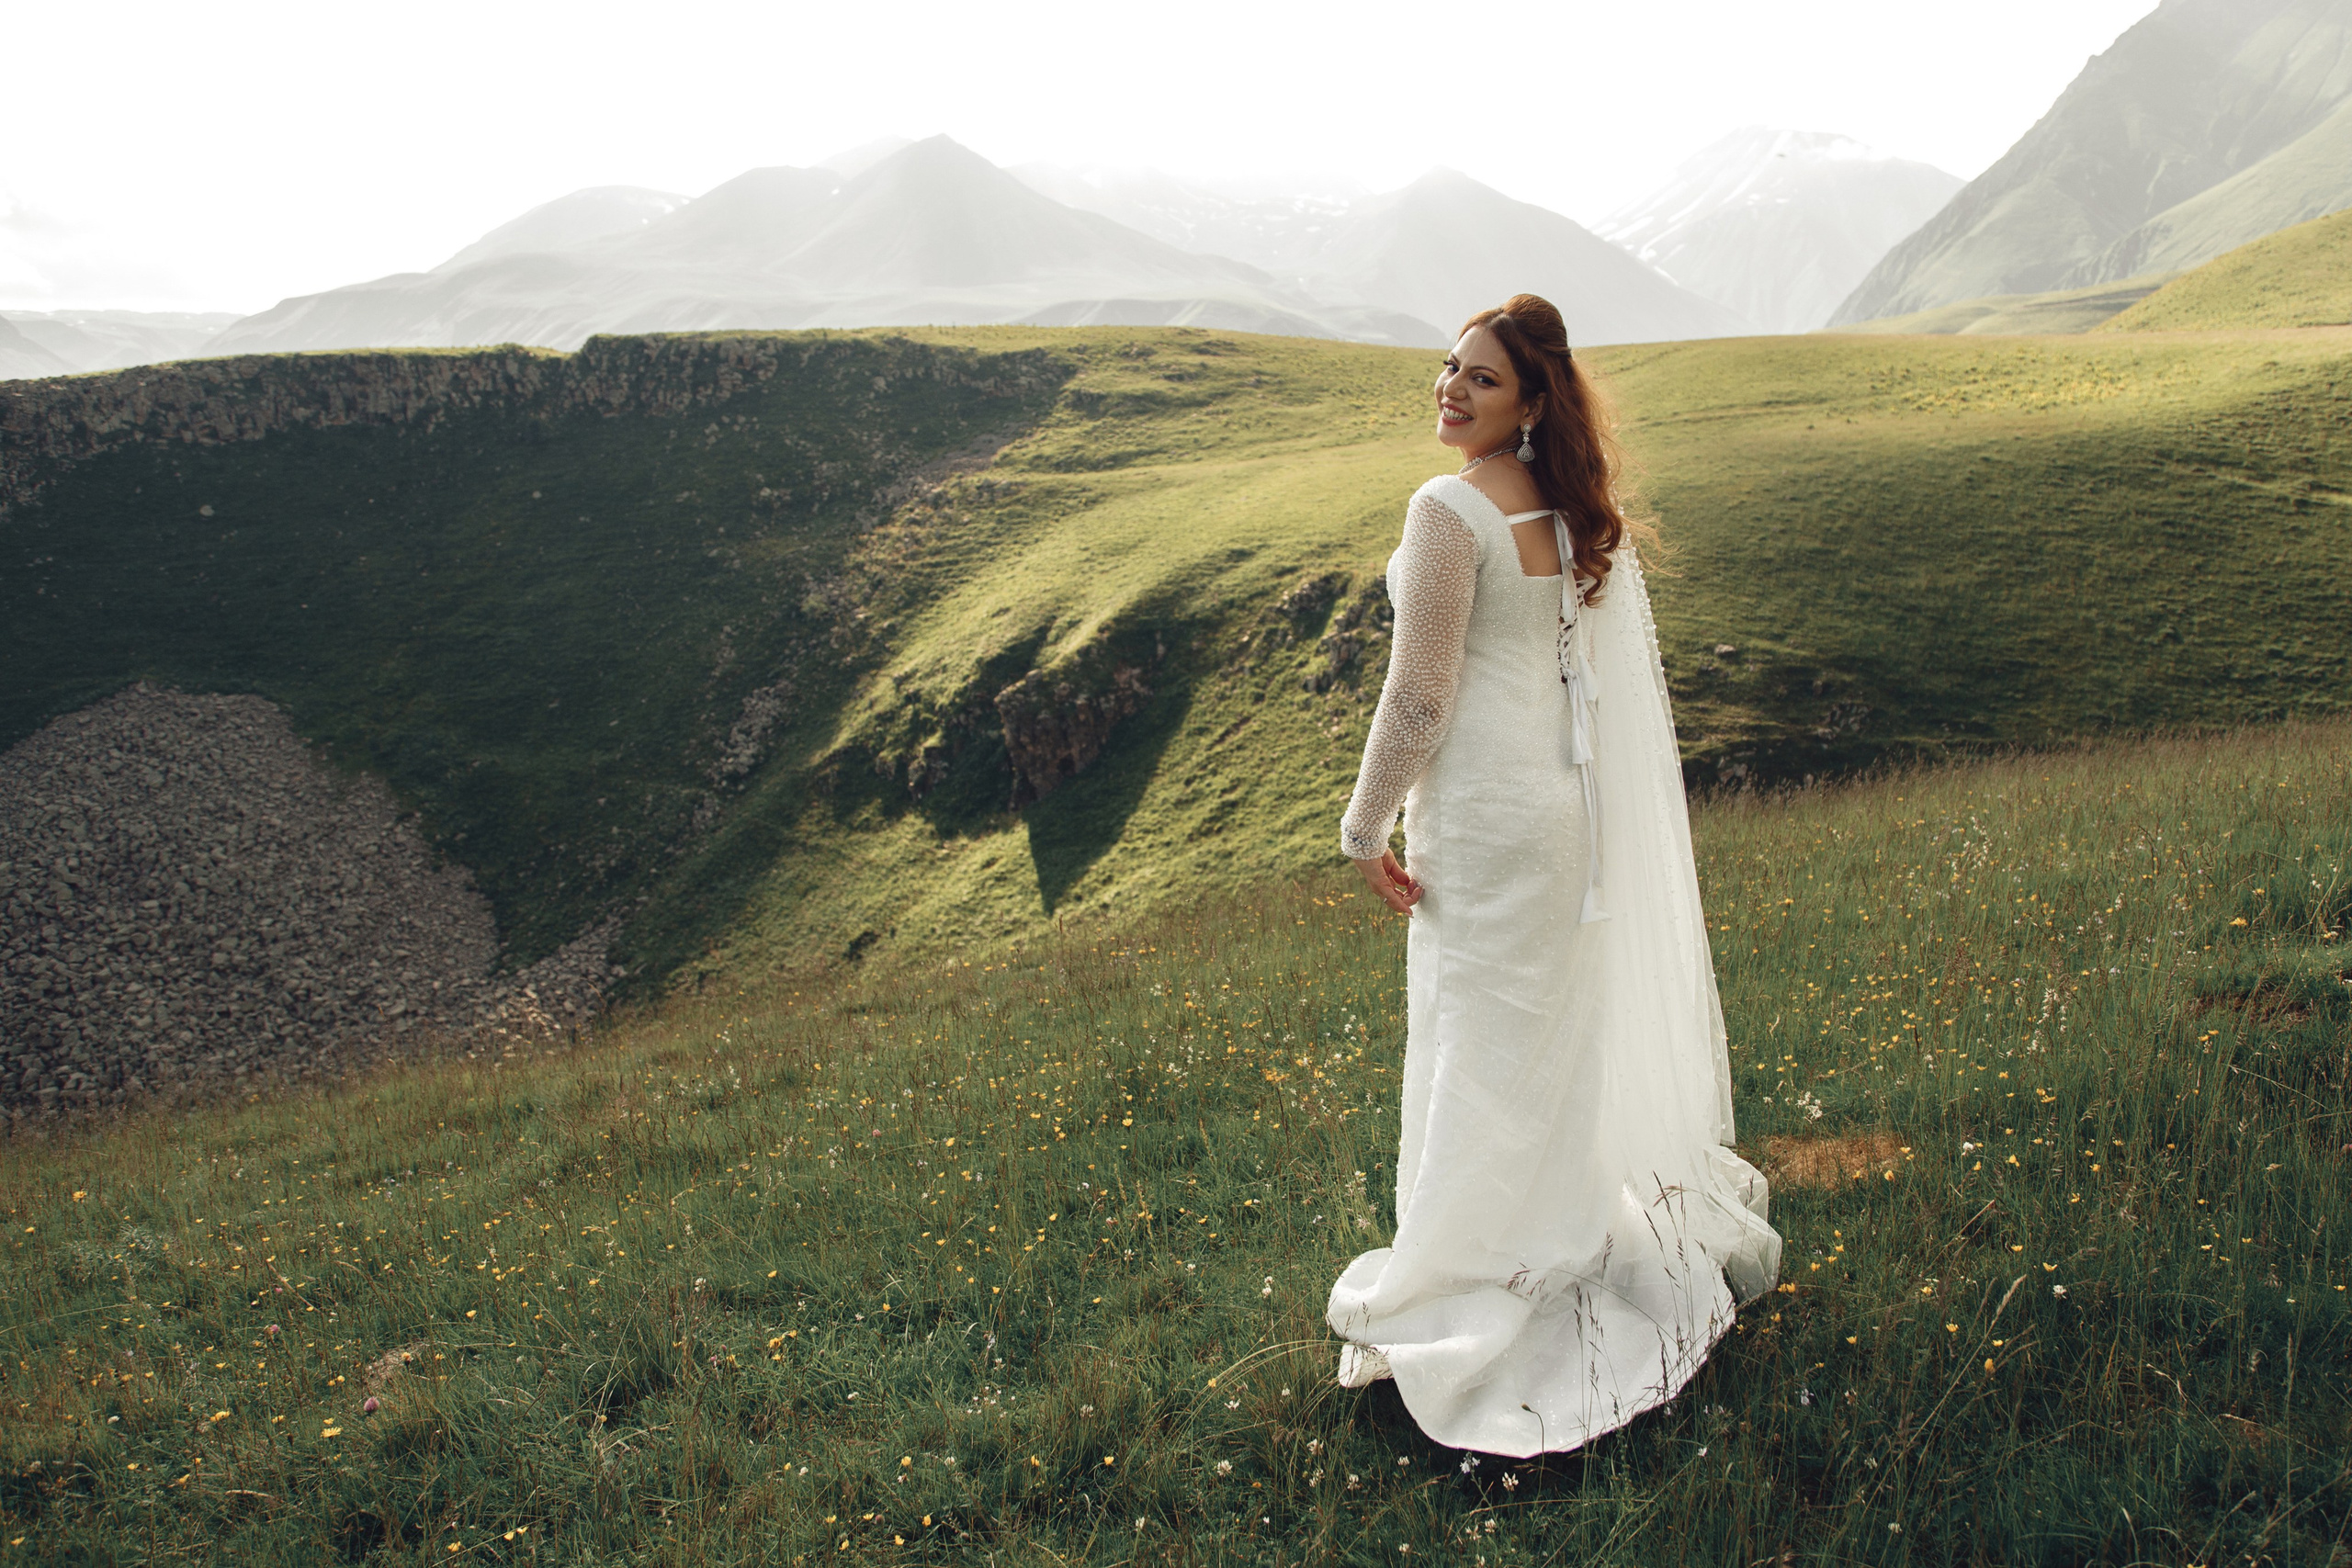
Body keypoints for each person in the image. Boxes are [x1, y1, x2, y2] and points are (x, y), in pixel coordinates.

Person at [1328, 293, 1781, 1457]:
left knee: (1479, 1051)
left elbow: (1420, 693)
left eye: (1479, 378)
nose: (1450, 388)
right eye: (1448, 368)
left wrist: (1361, 826)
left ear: (1529, 402)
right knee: (1540, 1050)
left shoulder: (1447, 509)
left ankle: (1479, 1280)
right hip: (1564, 823)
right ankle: (1562, 1243)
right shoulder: (1564, 509)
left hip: (1483, 826)